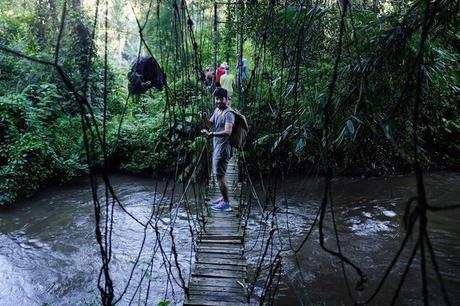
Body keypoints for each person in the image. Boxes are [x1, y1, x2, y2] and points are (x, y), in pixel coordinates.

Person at [200, 88, 235, 211]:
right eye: (217, 99)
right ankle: (223, 197)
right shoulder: (217, 110)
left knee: (219, 177)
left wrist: (212, 134)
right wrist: (204, 118)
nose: (218, 101)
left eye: (221, 99)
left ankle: (226, 204)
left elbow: (228, 132)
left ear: (226, 99)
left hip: (223, 149)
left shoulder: (229, 114)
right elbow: (210, 124)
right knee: (221, 176)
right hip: (218, 147)